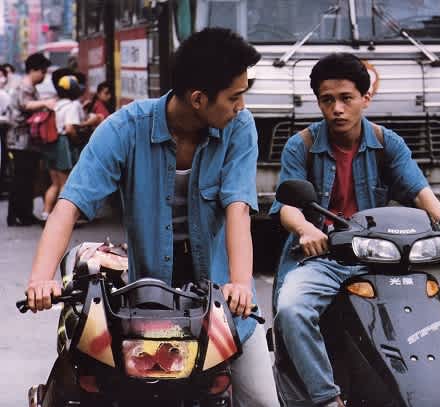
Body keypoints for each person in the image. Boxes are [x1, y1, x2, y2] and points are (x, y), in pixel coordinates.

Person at [24, 27, 279, 407]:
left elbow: (238, 207)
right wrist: (41, 280)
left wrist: (241, 285)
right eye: (234, 97)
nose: (241, 106)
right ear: (198, 99)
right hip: (143, 302)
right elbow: (69, 204)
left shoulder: (239, 128)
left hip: (222, 297)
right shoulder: (125, 128)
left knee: (262, 400)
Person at [270, 53, 440, 407]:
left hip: (380, 258)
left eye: (346, 98)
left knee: (420, 313)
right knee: (291, 309)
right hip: (322, 259)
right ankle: (325, 397)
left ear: (365, 98)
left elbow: (420, 191)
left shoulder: (388, 143)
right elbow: (287, 207)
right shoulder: (300, 145)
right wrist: (306, 230)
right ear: (318, 102)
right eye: (327, 100)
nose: (337, 108)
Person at [39, 69, 98, 221]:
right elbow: (70, 128)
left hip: (50, 143)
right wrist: (77, 140)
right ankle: (61, 217)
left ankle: (45, 214)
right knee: (65, 184)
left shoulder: (55, 104)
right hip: (63, 144)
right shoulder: (72, 105)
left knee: (54, 184)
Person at [6, 53, 56, 226]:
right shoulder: (24, 87)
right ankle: (17, 215)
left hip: (27, 141)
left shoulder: (30, 87)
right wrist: (46, 103)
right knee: (22, 179)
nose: (43, 76)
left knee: (27, 178)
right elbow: (26, 105)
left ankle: (24, 213)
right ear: (33, 70)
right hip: (20, 140)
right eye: (42, 72)